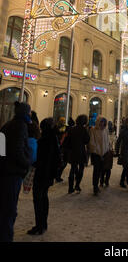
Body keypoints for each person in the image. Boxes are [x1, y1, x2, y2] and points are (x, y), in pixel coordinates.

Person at [0, 101, 31, 242]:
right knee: (10, 209)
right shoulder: (21, 126)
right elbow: (18, 151)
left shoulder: (7, 125)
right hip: (13, 173)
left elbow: (1, 149)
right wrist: (27, 163)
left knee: (5, 207)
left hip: (4, 171)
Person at [27, 118, 60, 235]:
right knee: (44, 198)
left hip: (42, 173)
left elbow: (40, 159)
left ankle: (39, 225)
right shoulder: (54, 138)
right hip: (48, 174)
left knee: (38, 199)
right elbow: (57, 159)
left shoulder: (44, 140)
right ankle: (43, 224)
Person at [63, 114, 90, 193]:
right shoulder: (84, 129)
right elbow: (87, 140)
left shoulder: (72, 129)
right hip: (81, 151)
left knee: (73, 169)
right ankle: (77, 185)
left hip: (73, 151)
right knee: (81, 168)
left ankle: (70, 188)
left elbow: (67, 141)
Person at [89, 117, 111, 195]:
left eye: (103, 122)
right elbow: (92, 143)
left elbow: (107, 141)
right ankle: (95, 187)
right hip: (96, 154)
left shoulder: (106, 130)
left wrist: (108, 149)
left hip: (105, 154)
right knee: (96, 171)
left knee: (102, 170)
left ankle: (99, 184)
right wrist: (97, 152)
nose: (102, 123)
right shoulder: (93, 130)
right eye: (101, 122)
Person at [115, 117, 128, 191]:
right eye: (127, 122)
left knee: (127, 167)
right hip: (125, 151)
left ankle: (121, 181)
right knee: (127, 167)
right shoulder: (123, 131)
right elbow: (118, 142)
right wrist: (117, 151)